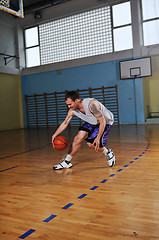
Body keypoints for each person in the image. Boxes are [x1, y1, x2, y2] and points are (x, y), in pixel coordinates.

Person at [52, 90, 116, 170]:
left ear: (77, 100)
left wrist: (98, 137)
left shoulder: (91, 105)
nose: (68, 106)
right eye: (67, 105)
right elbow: (65, 123)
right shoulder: (72, 110)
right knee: (77, 139)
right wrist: (55, 134)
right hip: (92, 121)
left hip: (105, 121)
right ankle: (66, 162)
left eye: (70, 104)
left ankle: (108, 152)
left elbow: (102, 121)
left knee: (91, 144)